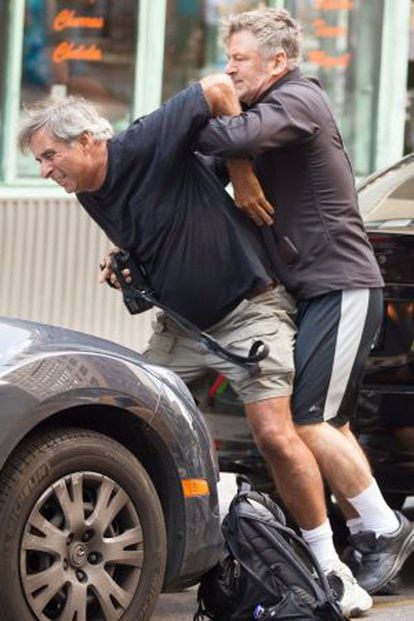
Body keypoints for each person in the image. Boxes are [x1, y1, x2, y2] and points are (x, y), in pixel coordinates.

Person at [196, 6, 414, 599]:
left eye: (239, 60)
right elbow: (209, 161)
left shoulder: (300, 99)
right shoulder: (270, 109)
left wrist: (207, 102)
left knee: (310, 421)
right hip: (311, 290)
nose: (228, 70)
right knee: (329, 421)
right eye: (229, 59)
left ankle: (387, 527)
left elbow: (228, 134)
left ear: (278, 62)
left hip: (341, 284)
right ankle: (370, 529)